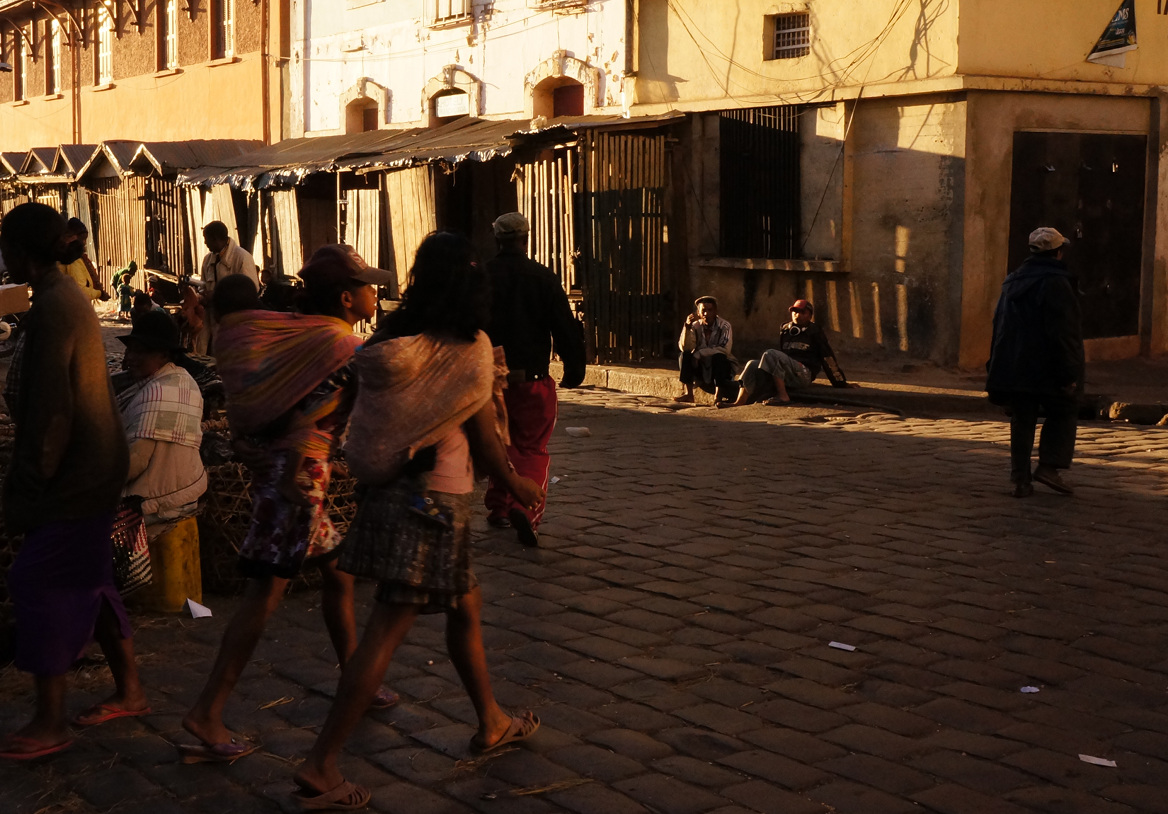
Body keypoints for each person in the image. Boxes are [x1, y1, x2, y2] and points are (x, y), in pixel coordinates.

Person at [291, 231, 544, 811]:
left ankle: (492, 719)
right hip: (435, 501)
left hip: (392, 494)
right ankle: (321, 764)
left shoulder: (390, 341)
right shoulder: (466, 347)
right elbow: (482, 436)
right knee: (386, 629)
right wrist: (517, 484)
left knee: (466, 603)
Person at [182, 246, 396, 763]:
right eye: (368, 285)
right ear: (347, 298)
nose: (375, 291)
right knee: (264, 596)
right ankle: (208, 711)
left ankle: (355, 677)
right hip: (297, 485)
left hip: (294, 475)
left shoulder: (297, 336)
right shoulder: (341, 345)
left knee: (338, 574)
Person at [0, 203, 144, 760]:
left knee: (38, 583)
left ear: (23, 251)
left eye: (6, 247)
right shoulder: (58, 298)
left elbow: (52, 416)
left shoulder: (57, 307)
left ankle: (50, 719)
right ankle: (131, 689)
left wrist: (31, 487)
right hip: (95, 466)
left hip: (76, 475)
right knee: (89, 578)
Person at [482, 212, 585, 547]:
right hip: (531, 380)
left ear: (497, 238)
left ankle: (498, 507)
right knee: (531, 447)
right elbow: (564, 327)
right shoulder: (542, 277)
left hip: (488, 380)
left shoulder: (481, 276)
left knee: (499, 442)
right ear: (526, 239)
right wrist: (574, 366)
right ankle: (523, 509)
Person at [986, 227, 1084, 498]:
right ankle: (1049, 466)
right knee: (1064, 409)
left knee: (1022, 419)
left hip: (1014, 364)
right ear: (1058, 252)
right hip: (1046, 365)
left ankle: (1020, 479)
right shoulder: (1057, 283)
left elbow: (999, 326)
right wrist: (1069, 372)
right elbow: (1064, 333)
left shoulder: (1013, 280)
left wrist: (994, 365)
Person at [115, 310, 208, 534]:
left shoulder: (162, 391)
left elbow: (136, 461)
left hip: (160, 505)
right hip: (182, 495)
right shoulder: (177, 380)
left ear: (164, 355)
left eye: (141, 352)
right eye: (131, 350)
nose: (131, 358)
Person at [720, 299, 856, 408]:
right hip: (788, 373)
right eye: (795, 312)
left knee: (770, 354)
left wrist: (840, 382)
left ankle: (783, 396)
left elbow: (827, 357)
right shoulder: (786, 329)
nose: (797, 315)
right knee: (752, 364)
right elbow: (782, 358)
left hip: (804, 374)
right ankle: (739, 402)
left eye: (802, 312)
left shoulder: (815, 332)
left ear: (809, 315)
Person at [199, 221, 259, 355]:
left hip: (236, 324)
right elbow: (203, 285)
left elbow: (251, 292)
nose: (204, 243)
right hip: (213, 322)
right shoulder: (208, 260)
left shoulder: (242, 257)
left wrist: (217, 296)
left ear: (215, 238)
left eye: (206, 239)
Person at [676, 295, 738, 404]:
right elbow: (685, 347)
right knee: (684, 355)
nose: (706, 314)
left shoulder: (725, 326)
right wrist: (687, 327)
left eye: (710, 310)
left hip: (721, 368)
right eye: (703, 311)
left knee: (719, 357)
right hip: (701, 366)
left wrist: (700, 353)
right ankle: (689, 394)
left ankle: (718, 395)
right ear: (698, 312)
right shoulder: (695, 326)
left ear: (715, 312)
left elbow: (725, 349)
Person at [59, 218, 108, 303]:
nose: (84, 243)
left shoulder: (77, 258)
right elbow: (80, 291)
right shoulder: (72, 259)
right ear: (72, 238)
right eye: (82, 239)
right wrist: (99, 293)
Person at [179, 282, 207, 355]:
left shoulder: (196, 306)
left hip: (197, 323)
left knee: (194, 337)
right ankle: (193, 350)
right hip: (195, 323)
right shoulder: (189, 304)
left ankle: (194, 350)